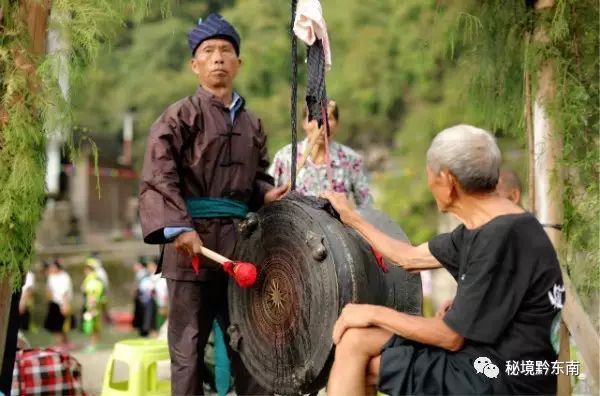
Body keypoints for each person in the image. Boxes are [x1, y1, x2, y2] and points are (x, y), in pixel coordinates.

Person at [322, 124, 564, 395]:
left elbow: (449, 336)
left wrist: (371, 312)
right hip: (483, 357)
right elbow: (409, 258)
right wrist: (352, 218)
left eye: (431, 175)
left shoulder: (500, 236)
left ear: (448, 180)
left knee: (361, 358)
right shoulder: (491, 224)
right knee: (355, 340)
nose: (430, 183)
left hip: (501, 378)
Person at [139, 13, 286, 395]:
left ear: (239, 63)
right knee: (188, 346)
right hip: (193, 245)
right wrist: (178, 227)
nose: (218, 57)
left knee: (252, 341)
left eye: (226, 50)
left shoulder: (253, 124)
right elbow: (159, 175)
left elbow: (256, 179)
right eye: (209, 51)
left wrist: (266, 194)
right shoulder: (178, 116)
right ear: (195, 64)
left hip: (241, 247)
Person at [270, 100, 373, 207]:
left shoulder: (351, 159)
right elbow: (267, 197)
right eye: (314, 118)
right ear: (304, 123)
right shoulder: (285, 157)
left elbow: (367, 205)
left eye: (328, 119)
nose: (321, 125)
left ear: (337, 125)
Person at [43, 259, 74, 350]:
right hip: (54, 303)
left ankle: (62, 344)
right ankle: (61, 343)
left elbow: (65, 292)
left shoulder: (64, 277)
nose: (51, 268)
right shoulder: (51, 276)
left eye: (53, 267)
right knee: (55, 326)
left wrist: (65, 305)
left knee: (61, 327)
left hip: (62, 303)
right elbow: (49, 290)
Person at [81, 261, 105, 351]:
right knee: (95, 326)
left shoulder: (92, 281)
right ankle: (95, 344)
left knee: (92, 326)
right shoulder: (95, 280)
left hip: (93, 307)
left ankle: (93, 344)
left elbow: (92, 295)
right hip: (95, 306)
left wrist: (92, 308)